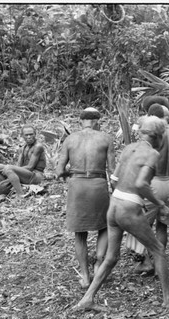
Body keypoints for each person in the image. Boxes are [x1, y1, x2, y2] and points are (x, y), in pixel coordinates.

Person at [73, 115, 169, 311]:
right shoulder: (153, 154)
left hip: (114, 204)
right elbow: (141, 184)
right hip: (128, 207)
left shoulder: (128, 148)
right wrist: (159, 203)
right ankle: (168, 299)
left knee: (111, 257)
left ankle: (87, 299)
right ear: (158, 136)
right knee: (158, 250)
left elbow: (114, 179)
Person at [125, 103, 169, 274]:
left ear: (150, 117)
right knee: (162, 225)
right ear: (166, 118)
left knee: (142, 225)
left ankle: (146, 262)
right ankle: (158, 259)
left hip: (152, 183)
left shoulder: (151, 136)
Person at [55, 107, 115, 289]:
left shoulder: (70, 139)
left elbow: (58, 172)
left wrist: (71, 175)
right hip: (98, 185)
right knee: (105, 226)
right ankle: (98, 263)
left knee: (79, 233)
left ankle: (85, 276)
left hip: (77, 186)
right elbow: (112, 170)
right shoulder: (105, 138)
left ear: (81, 121)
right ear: (97, 121)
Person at [0, 125, 46, 198]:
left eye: (31, 134)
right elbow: (18, 166)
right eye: (26, 135)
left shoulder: (38, 147)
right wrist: (11, 173)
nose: (29, 137)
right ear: (22, 136)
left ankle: (20, 195)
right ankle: (5, 191)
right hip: (26, 174)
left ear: (35, 134)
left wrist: (10, 170)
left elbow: (30, 167)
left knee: (8, 168)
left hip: (36, 175)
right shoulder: (23, 148)